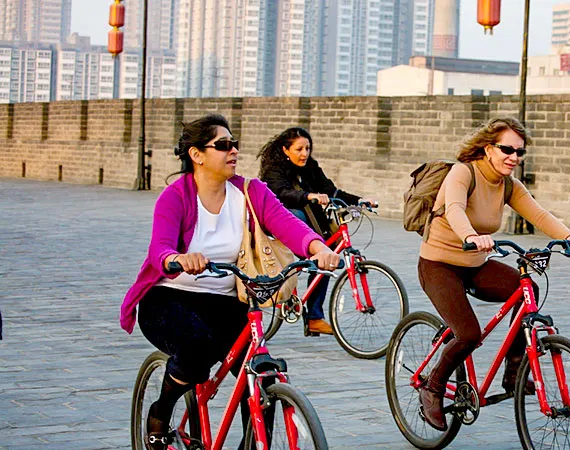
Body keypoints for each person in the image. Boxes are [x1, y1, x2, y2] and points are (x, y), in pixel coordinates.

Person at [119, 114, 341, 449]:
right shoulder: (176, 196)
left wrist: (317, 247)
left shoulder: (251, 192)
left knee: (261, 378)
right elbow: (159, 248)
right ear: (197, 155)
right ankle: (160, 413)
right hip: (170, 298)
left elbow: (285, 224)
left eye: (234, 143)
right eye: (223, 145)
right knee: (196, 350)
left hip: (226, 300)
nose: (233, 150)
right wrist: (178, 259)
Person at [416, 117, 570, 431]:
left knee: (526, 290)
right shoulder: (463, 172)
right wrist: (471, 236)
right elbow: (454, 208)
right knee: (468, 334)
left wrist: (569, 236)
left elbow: (537, 213)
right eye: (507, 149)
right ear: (487, 148)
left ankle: (515, 372)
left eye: (520, 152)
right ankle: (433, 386)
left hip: (476, 265)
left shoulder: (508, 183)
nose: (514, 157)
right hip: (439, 265)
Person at [258, 127, 377, 335]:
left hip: (308, 227)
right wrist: (308, 196)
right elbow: (280, 193)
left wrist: (359, 200)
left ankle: (314, 316)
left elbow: (332, 190)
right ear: (286, 150)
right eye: (299, 149)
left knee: (326, 255)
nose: (304, 153)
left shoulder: (310, 167)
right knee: (299, 217)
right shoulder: (274, 170)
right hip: (280, 226)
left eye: (307, 148)